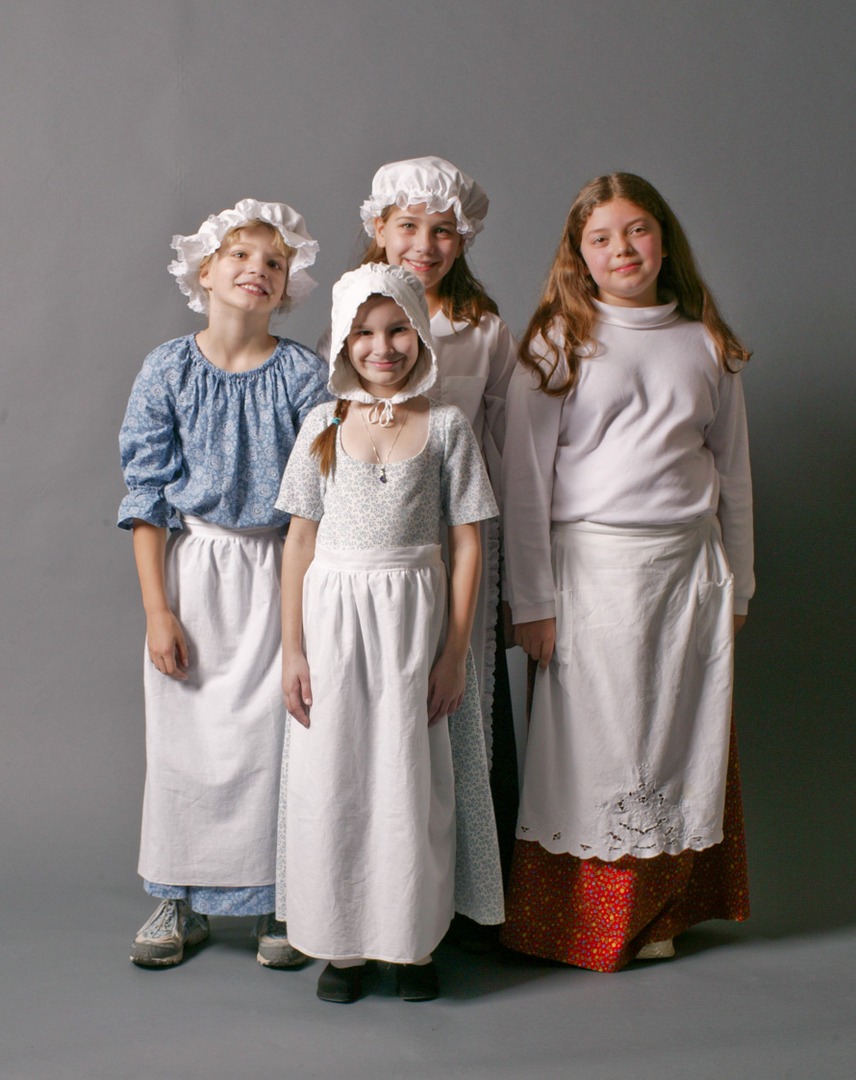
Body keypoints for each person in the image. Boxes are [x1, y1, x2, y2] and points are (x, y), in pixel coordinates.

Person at [501, 173, 753, 972]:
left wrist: (738, 583)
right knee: (597, 747)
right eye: (602, 237)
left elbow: (734, 475)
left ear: (664, 238)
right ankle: (586, 920)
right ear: (579, 254)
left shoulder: (705, 342)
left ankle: (661, 910)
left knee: (677, 736)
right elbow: (525, 483)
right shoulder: (557, 341)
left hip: (687, 571)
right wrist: (532, 600)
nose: (623, 250)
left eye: (637, 230)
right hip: (590, 571)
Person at [275, 263, 504, 1002]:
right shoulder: (323, 426)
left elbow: (468, 543)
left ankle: (411, 943)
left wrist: (454, 654)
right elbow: (300, 543)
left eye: (398, 328)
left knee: (412, 782)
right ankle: (340, 946)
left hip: (414, 626)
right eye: (365, 333)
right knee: (336, 778)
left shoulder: (446, 428)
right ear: (344, 342)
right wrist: (294, 649)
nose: (383, 346)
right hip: (336, 625)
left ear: (420, 332)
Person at [118, 199, 329, 969]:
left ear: (288, 284)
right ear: (203, 271)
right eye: (240, 256)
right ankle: (176, 896)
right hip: (196, 572)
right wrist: (157, 610)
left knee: (277, 742)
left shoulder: (304, 375)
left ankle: (280, 897)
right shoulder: (168, 369)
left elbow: (316, 500)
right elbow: (144, 500)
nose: (257, 270)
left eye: (275, 263)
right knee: (185, 745)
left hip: (281, 570)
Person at [355, 156, 520, 886]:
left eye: (443, 231)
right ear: (379, 229)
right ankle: (379, 874)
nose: (425, 244)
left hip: (460, 541)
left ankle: (467, 886)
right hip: (377, 542)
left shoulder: (482, 329)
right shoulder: (358, 316)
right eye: (409, 226)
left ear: (464, 238)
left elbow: (510, 443)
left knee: (460, 687)